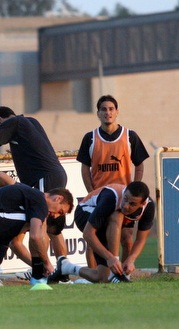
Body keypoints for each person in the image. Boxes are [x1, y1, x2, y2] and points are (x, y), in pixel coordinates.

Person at [0, 106, 69, 283]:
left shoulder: (13, 123)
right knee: (41, 231)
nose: (2, 135)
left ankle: (44, 271)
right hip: (53, 173)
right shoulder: (30, 121)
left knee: (40, 227)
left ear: (2, 121)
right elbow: (37, 147)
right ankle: (50, 270)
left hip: (43, 177)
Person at [76, 95, 149, 268]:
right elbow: (85, 168)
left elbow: (139, 165)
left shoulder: (130, 136)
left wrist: (134, 190)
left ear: (117, 112)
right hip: (101, 198)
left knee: (126, 238)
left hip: (124, 198)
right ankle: (93, 277)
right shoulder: (90, 138)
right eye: (103, 109)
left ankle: (122, 273)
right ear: (98, 113)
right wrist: (91, 192)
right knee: (94, 239)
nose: (107, 113)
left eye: (111, 109)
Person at [48, 181, 154, 284]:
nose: (126, 206)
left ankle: (66, 267)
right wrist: (110, 258)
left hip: (106, 223)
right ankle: (116, 273)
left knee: (102, 277)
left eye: (132, 204)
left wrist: (131, 259)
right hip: (84, 213)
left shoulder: (148, 207)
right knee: (117, 215)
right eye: (125, 199)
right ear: (125, 191)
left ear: (142, 203)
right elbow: (88, 233)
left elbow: (141, 239)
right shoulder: (111, 197)